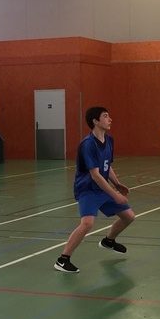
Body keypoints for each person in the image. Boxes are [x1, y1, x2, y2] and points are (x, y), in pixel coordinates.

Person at [54, 107, 136, 274]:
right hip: (88, 189)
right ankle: (63, 260)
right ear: (95, 121)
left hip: (102, 188)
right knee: (87, 223)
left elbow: (107, 166)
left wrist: (117, 184)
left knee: (129, 217)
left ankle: (109, 240)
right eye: (106, 116)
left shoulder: (109, 140)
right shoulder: (88, 144)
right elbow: (95, 175)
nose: (110, 119)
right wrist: (115, 194)